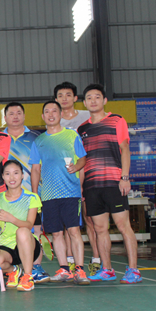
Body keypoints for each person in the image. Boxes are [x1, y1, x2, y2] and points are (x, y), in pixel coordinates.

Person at [78, 84, 142, 284]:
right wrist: (81, 188)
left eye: (97, 97)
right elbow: (82, 161)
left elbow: (125, 149)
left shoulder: (117, 120)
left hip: (114, 183)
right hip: (92, 186)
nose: (93, 101)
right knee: (99, 229)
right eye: (89, 98)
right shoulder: (82, 129)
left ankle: (134, 270)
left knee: (123, 226)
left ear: (104, 100)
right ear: (84, 103)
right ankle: (107, 270)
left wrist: (125, 177)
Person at [30, 101, 90, 285]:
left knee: (73, 231)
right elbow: (35, 170)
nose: (51, 114)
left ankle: (79, 270)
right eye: (47, 112)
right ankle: (64, 269)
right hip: (48, 195)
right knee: (56, 234)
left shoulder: (72, 135)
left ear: (60, 114)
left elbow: (83, 159)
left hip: (70, 193)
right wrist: (35, 194)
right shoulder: (39, 141)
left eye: (54, 111)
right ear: (42, 116)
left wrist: (76, 167)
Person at [54, 81, 100, 275]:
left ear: (75, 98)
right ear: (56, 99)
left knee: (90, 219)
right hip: (67, 178)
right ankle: (70, 260)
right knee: (68, 222)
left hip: (90, 173)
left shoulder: (87, 116)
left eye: (68, 95)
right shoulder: (55, 120)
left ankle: (96, 258)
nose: (64, 98)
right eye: (60, 95)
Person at [2, 102, 48, 283]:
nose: (15, 116)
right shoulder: (0, 138)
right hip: (7, 198)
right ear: (5, 117)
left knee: (35, 231)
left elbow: (40, 166)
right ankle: (12, 268)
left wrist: (36, 193)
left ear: (24, 116)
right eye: (11, 113)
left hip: (31, 194)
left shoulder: (36, 137)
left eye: (18, 113)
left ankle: (36, 267)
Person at [0, 160, 43, 292]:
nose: (12, 177)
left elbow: (29, 224)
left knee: (22, 231)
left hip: (28, 244)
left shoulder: (32, 198)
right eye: (7, 174)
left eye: (16, 173)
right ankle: (14, 271)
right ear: (3, 177)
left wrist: (12, 219)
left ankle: (28, 276)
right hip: (6, 246)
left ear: (22, 175)